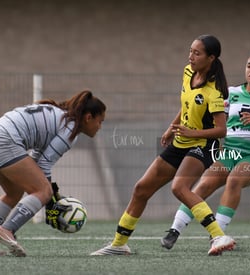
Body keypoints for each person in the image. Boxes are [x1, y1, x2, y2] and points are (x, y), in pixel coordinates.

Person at [91, 34, 235, 256]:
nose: (191, 57)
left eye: (197, 53)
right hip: (181, 142)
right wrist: (172, 126)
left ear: (211, 58)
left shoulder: (214, 91)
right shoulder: (188, 73)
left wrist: (192, 132)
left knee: (179, 188)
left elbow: (222, 130)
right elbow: (186, 105)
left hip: (204, 145)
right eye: (190, 51)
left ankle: (218, 236)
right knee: (141, 189)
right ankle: (119, 244)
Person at [161, 52, 250, 251]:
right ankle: (174, 230)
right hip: (229, 152)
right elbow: (211, 117)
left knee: (235, 179)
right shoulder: (230, 92)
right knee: (204, 184)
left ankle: (217, 236)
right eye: (249, 65)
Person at [0, 90, 106, 257]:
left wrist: (52, 195)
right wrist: (50, 198)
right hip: (4, 141)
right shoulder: (70, 128)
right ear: (88, 117)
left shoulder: (59, 116)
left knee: (13, 193)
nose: (100, 127)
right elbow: (44, 164)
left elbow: (36, 161)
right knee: (43, 191)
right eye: (100, 121)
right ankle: (7, 230)